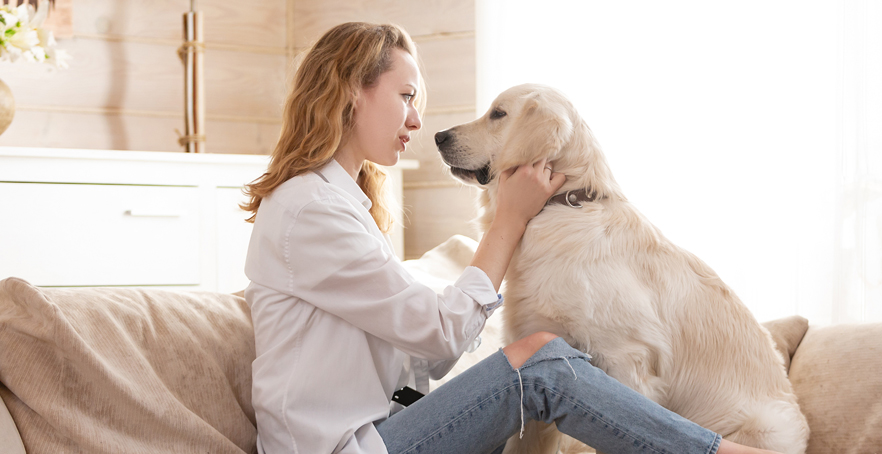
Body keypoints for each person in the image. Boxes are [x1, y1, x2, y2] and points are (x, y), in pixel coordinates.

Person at [241, 22, 781, 454]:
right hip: (353, 449)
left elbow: (419, 358)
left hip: (390, 431)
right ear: (350, 91)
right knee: (542, 362)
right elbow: (436, 336)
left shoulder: (338, 205)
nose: (417, 118)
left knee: (540, 365)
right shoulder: (310, 210)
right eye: (405, 96)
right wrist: (508, 222)